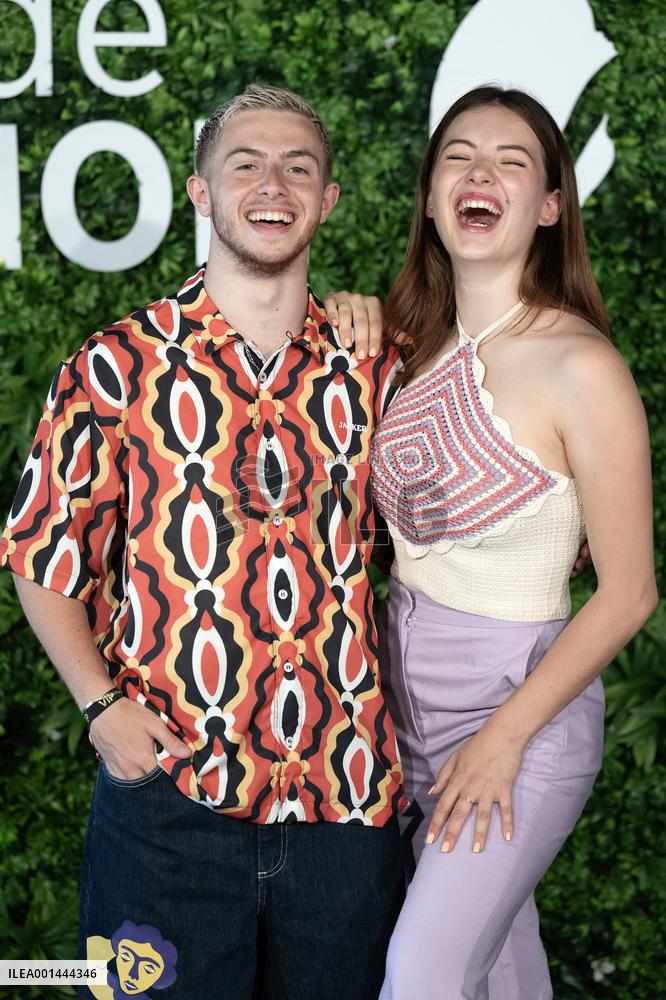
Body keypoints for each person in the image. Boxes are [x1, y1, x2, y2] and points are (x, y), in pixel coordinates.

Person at [0, 85, 406, 1000]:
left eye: (299, 167)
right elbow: (41, 550)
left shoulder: (380, 365)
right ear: (198, 192)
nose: (274, 184)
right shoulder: (116, 364)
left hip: (347, 802)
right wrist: (101, 710)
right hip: (170, 807)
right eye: (246, 164)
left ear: (330, 198)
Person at [326, 86, 657, 999]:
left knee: (422, 974)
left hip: (520, 711)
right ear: (431, 196)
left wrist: (505, 737)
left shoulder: (579, 365)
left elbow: (629, 593)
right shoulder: (403, 344)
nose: (481, 173)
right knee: (499, 966)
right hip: (400, 709)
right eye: (458, 156)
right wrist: (356, 316)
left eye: (513, 161)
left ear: (550, 207)